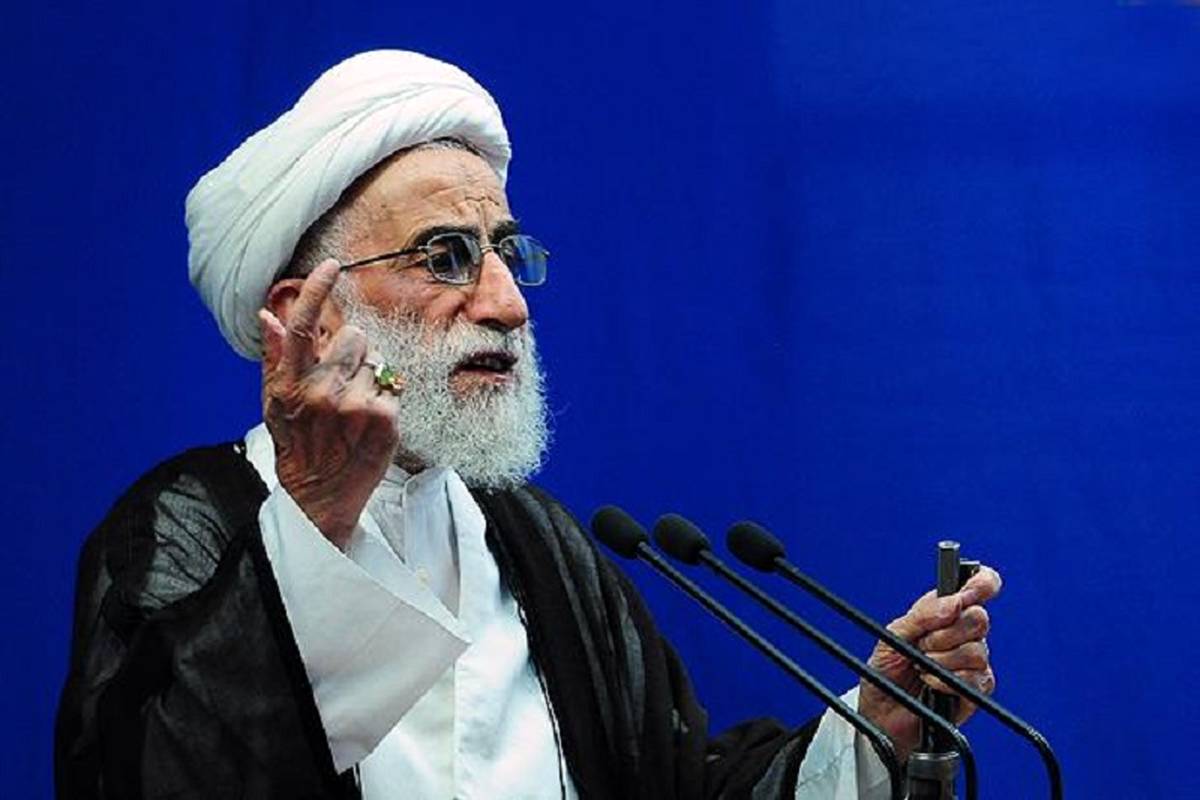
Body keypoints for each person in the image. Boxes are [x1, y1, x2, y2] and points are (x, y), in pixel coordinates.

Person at [55, 50, 1000, 800]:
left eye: (506, 252)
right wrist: (313, 514)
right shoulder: (182, 528)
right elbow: (154, 774)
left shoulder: (539, 544)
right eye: (446, 255)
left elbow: (675, 786)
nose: (507, 303)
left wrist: (871, 727)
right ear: (309, 316)